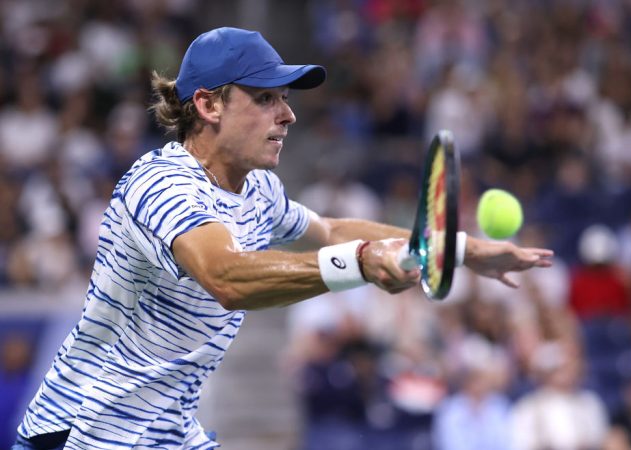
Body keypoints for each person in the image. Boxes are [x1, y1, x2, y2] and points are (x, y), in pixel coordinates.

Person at [13, 27, 553, 449]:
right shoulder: (161, 184)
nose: (288, 114)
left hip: (167, 433)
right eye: (267, 98)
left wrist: (464, 250)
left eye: (285, 99)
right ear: (208, 105)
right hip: (86, 433)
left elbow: (333, 230)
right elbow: (226, 276)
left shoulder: (258, 190)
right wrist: (360, 265)